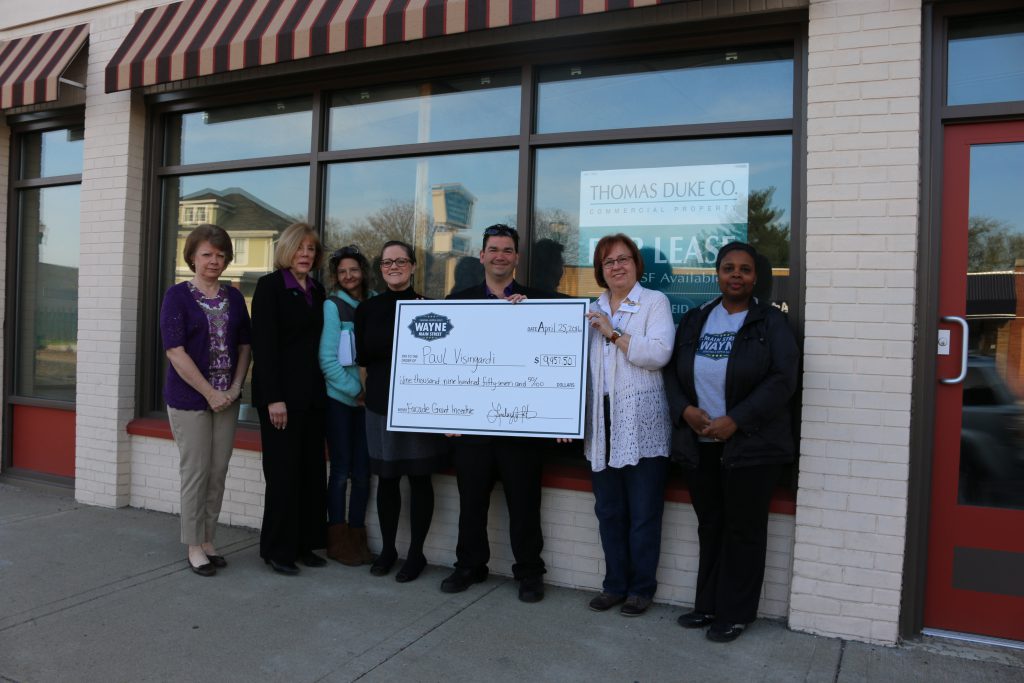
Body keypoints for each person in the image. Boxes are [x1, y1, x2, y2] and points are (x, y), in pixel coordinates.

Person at [663, 241, 799, 642]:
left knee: (744, 529)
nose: (735, 275)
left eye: (744, 269)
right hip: (700, 444)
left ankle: (736, 613)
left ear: (756, 278)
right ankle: (707, 605)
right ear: (717, 274)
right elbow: (671, 373)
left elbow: (783, 380)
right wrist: (685, 410)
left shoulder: (770, 323)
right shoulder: (695, 320)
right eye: (728, 268)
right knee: (711, 525)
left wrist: (736, 421)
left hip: (752, 446)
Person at [442, 224, 553, 603]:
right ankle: (469, 566)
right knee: (471, 503)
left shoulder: (539, 303)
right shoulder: (458, 302)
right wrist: (448, 416)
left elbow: (554, 362)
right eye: (494, 249)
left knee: (525, 504)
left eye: (507, 250)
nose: (500, 256)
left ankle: (529, 572)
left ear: (517, 258)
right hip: (473, 428)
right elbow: (446, 366)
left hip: (521, 426)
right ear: (482, 256)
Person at [582, 234, 675, 616]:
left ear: (636, 264)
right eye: (608, 262)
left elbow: (659, 353)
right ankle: (614, 585)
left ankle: (640, 589)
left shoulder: (654, 302)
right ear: (600, 271)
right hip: (601, 426)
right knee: (609, 512)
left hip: (641, 426)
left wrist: (614, 333)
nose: (617, 266)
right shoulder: (590, 309)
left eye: (623, 259)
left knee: (643, 513)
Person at [160, 224, 252, 577]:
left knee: (218, 472)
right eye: (207, 254)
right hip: (190, 400)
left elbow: (245, 346)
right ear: (193, 257)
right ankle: (193, 545)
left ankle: (209, 539)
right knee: (196, 472)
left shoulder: (233, 298)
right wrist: (210, 392)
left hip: (227, 399)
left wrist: (234, 387)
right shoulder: (177, 296)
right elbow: (175, 351)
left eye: (220, 254)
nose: (214, 261)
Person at [354, 241, 442, 583]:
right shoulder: (367, 309)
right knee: (387, 479)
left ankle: (415, 553)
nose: (394, 266)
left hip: (420, 406)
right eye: (387, 262)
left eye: (401, 261)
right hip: (379, 405)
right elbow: (363, 360)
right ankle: (388, 549)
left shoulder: (429, 308)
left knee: (420, 478)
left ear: (413, 266)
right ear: (380, 268)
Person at [251, 222, 329, 575]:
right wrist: (273, 398)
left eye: (311, 249)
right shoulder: (270, 287)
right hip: (281, 400)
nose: (306, 255)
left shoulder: (318, 290)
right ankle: (277, 550)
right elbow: (264, 347)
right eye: (300, 248)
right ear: (287, 250)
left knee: (311, 474)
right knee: (282, 476)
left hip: (313, 398)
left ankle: (304, 544)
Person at [319, 245, 375, 566]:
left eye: (353, 270)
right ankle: (338, 541)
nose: (348, 276)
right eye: (342, 272)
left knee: (364, 473)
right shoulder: (333, 306)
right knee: (341, 471)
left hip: (368, 403)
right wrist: (357, 390)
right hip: (341, 401)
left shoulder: (375, 301)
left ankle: (358, 538)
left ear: (363, 271)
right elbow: (327, 360)